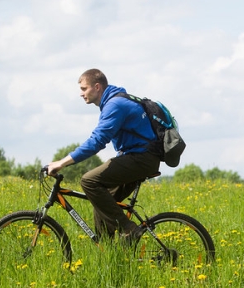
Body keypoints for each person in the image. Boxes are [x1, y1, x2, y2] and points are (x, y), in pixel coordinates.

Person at [47, 69, 162, 244]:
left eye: (84, 88)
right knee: (101, 204)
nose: (81, 93)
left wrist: (62, 163)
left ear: (97, 87)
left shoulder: (114, 105)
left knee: (88, 181)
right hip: (140, 157)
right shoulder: (115, 101)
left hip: (141, 158)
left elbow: (97, 141)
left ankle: (128, 228)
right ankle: (108, 255)